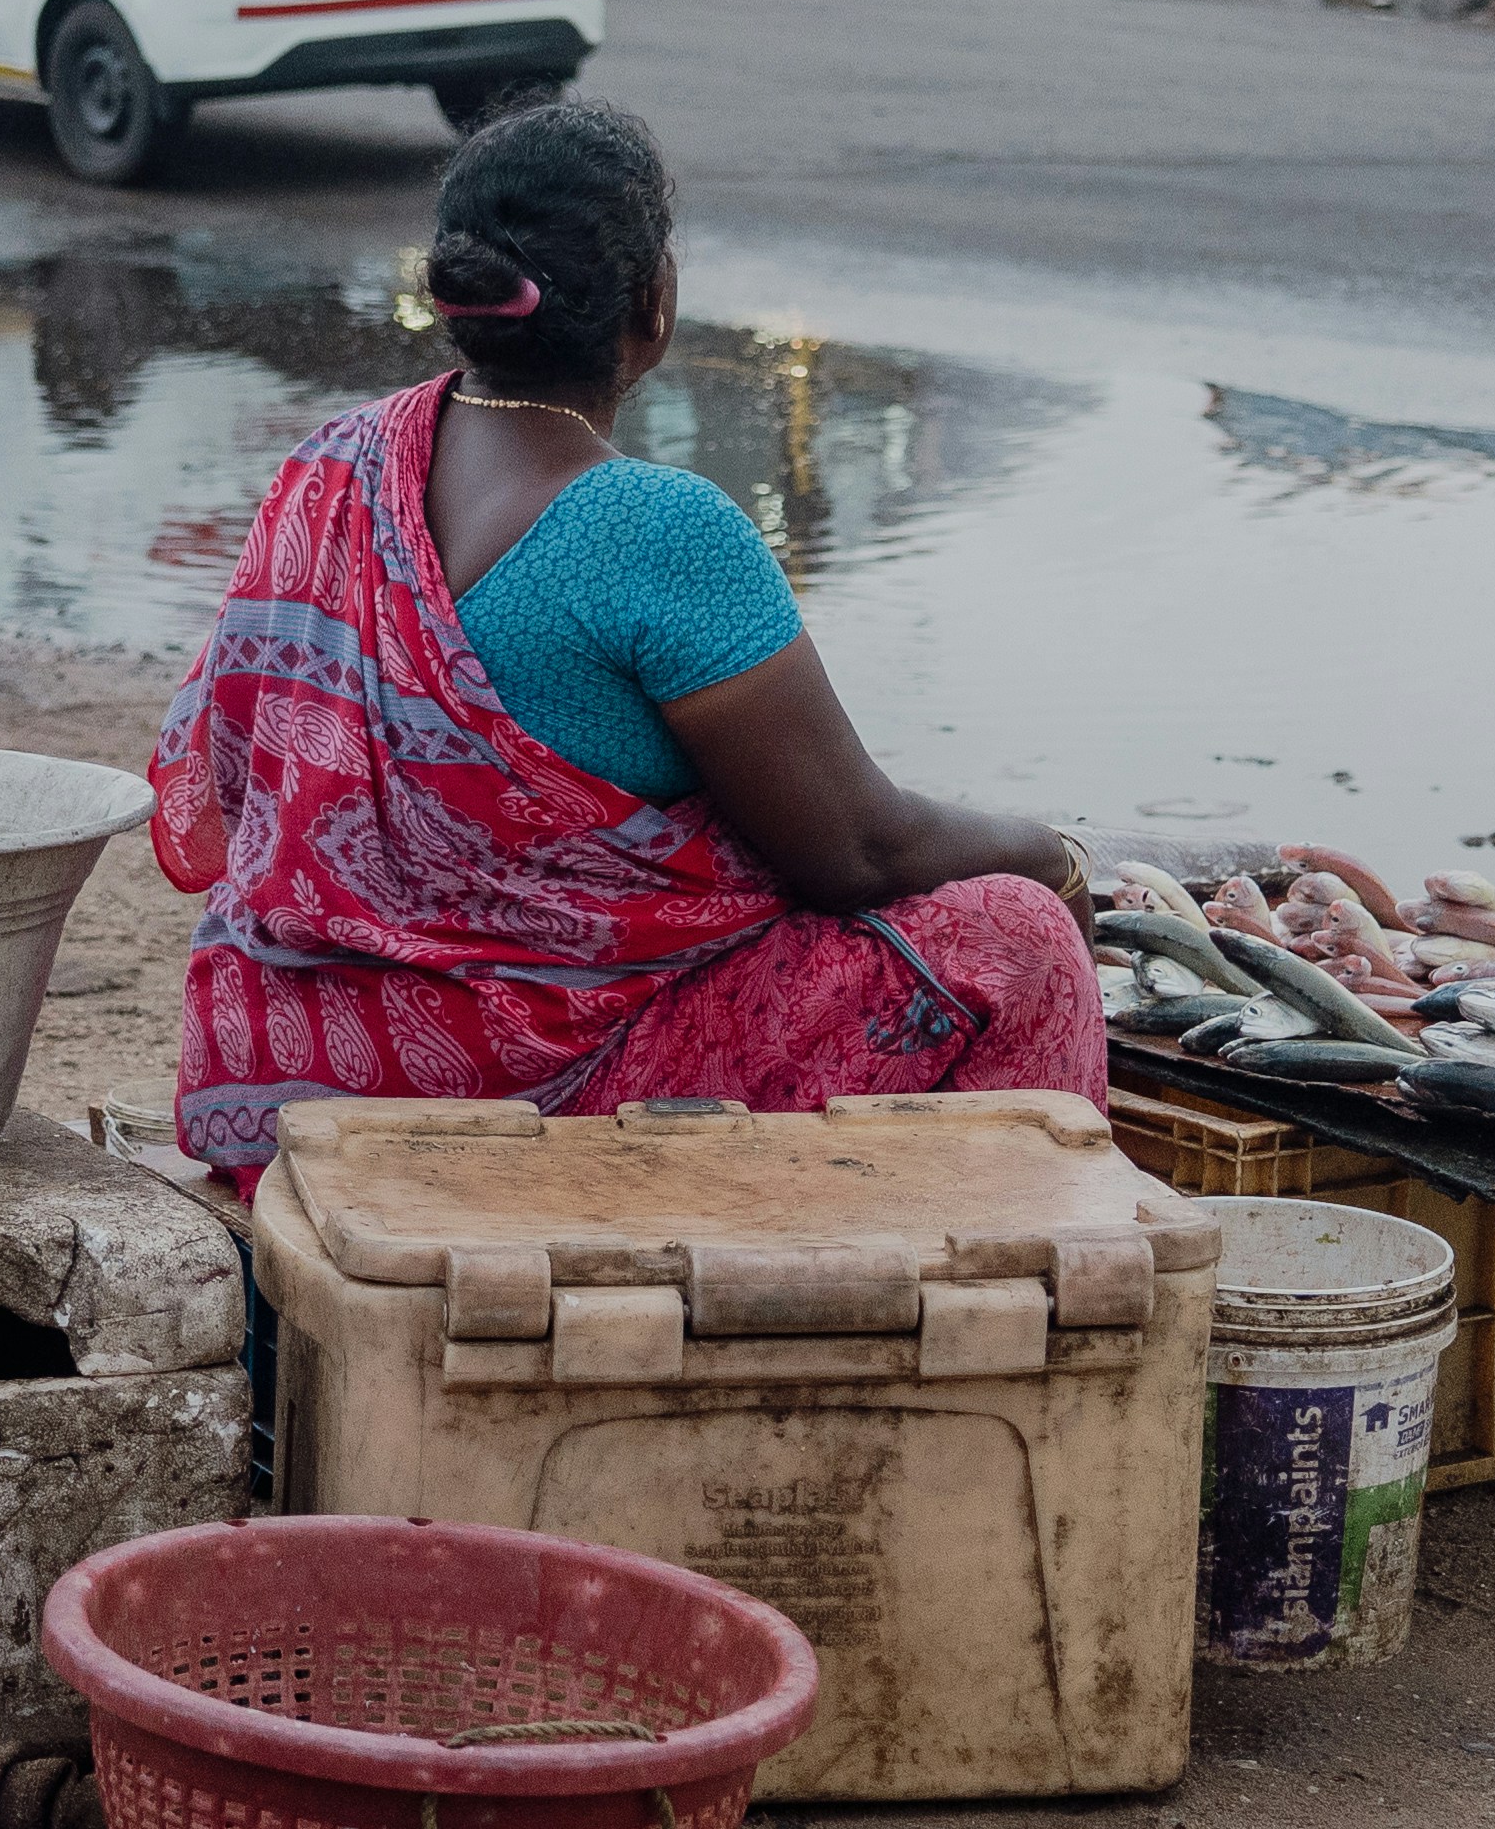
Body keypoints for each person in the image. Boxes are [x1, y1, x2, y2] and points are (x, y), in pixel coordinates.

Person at [151, 99, 1101, 1182]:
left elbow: (232, 772)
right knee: (1015, 938)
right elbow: (854, 852)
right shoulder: (656, 527)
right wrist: (1051, 852)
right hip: (503, 1108)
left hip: (279, 1070)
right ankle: (1007, 1311)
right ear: (653, 301)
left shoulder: (330, 463)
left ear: (455, 292)